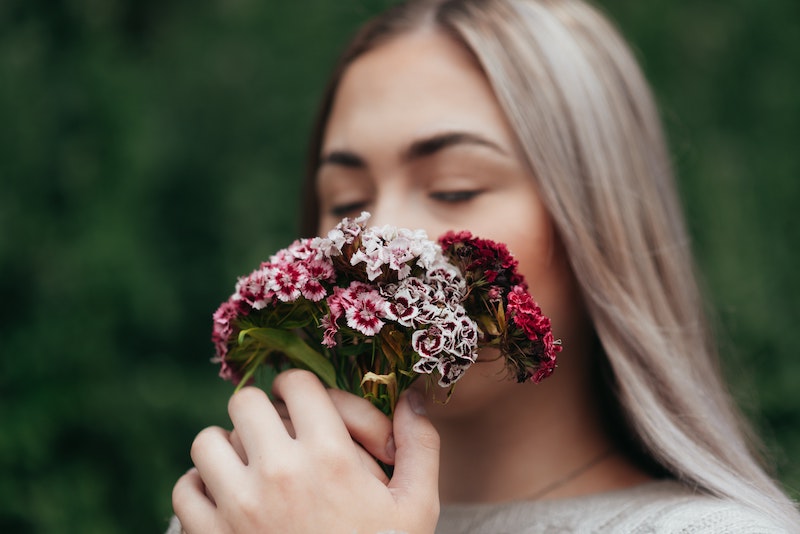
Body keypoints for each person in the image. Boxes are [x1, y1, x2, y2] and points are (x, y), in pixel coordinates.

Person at [169, 0, 800, 531]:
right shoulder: (247, 509)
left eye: (455, 186)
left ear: (600, 226)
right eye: (347, 201)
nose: (380, 237)